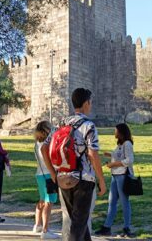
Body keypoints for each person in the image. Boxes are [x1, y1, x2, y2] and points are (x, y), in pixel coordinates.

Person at [41, 88, 107, 241]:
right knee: (78, 226)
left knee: (78, 224)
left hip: (63, 179)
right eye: (90, 102)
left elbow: (44, 147)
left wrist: (53, 173)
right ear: (85, 103)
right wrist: (101, 180)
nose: (90, 106)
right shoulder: (88, 125)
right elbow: (92, 154)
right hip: (84, 181)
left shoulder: (61, 123)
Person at [95, 123, 135, 238]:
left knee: (124, 202)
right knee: (111, 202)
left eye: (116, 130)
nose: (114, 132)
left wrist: (113, 164)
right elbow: (118, 155)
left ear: (121, 132)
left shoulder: (127, 144)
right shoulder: (120, 144)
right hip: (115, 175)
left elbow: (129, 160)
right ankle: (106, 227)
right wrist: (109, 154)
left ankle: (127, 228)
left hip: (122, 175)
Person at [33, 121, 59, 240]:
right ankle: (45, 230)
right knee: (49, 202)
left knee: (42, 200)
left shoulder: (36, 143)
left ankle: (37, 225)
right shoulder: (47, 144)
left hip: (39, 174)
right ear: (46, 130)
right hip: (48, 174)